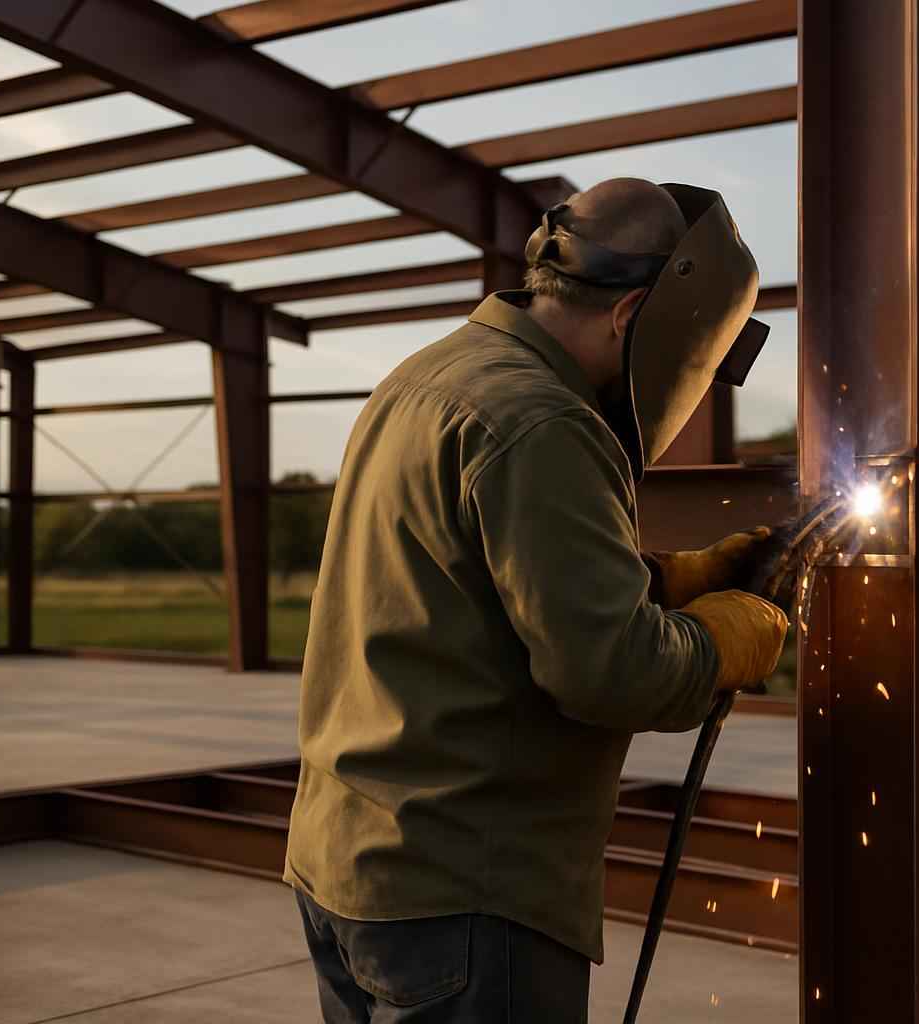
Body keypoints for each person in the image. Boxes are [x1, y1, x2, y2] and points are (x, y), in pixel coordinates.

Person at [284, 177, 789, 1022]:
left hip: (347, 863)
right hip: (466, 898)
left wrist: (667, 583)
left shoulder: (428, 376)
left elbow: (465, 584)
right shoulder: (546, 420)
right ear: (633, 317)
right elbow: (609, 673)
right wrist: (721, 640)